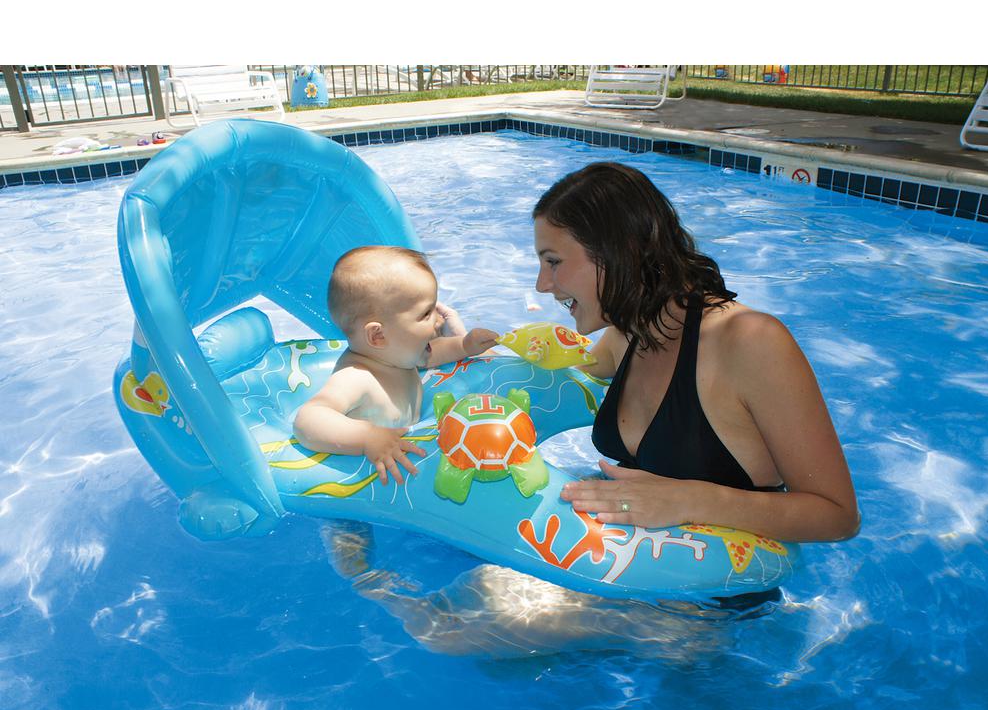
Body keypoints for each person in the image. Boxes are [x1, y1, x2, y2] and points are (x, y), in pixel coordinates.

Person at [532, 162, 860, 548]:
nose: (542, 284)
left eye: (553, 261)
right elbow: (573, 366)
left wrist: (689, 498)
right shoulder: (627, 333)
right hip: (620, 569)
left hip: (713, 602)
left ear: (622, 252)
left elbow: (838, 516)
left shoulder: (750, 343)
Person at [294, 245, 497, 485]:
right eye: (426, 314)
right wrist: (368, 437)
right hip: (361, 484)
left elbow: (433, 354)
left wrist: (465, 345)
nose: (439, 320)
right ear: (378, 336)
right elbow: (308, 419)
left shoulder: (400, 355)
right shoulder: (357, 377)